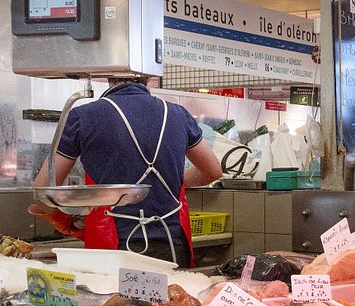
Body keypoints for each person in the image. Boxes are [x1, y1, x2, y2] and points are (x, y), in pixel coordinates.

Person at [30, 76, 222, 268]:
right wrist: (165, 181)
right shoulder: (178, 114)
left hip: (111, 247)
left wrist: (68, 223)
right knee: (173, 297)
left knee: (114, 299)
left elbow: (43, 190)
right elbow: (212, 172)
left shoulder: (82, 116)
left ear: (106, 74)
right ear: (149, 76)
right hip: (171, 243)